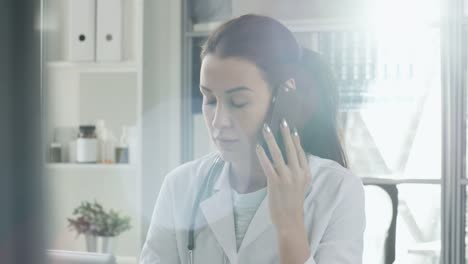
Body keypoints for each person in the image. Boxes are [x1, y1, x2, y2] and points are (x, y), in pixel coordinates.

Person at [140, 14, 365, 264]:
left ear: (285, 100)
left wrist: (289, 225)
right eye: (210, 100)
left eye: (238, 102)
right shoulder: (180, 187)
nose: (218, 122)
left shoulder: (338, 190)